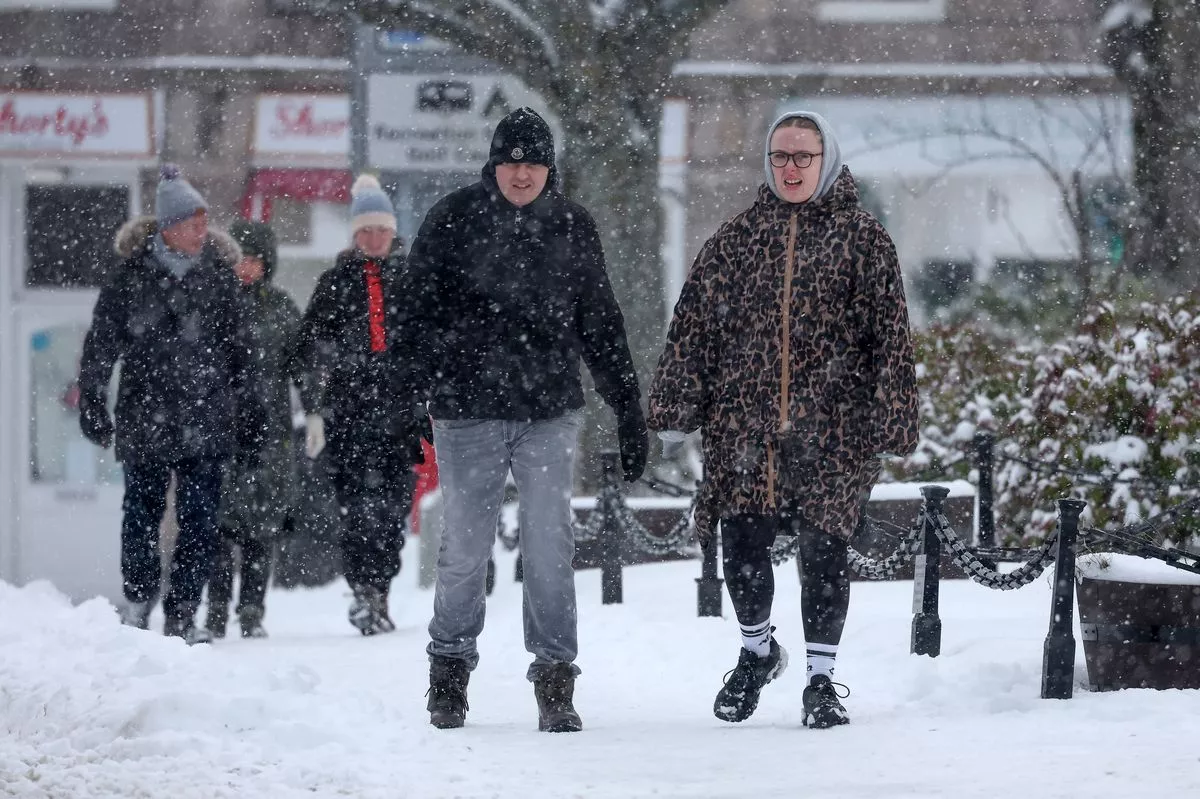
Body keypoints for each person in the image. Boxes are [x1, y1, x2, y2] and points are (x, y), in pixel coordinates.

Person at [648, 111, 919, 728]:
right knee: (742, 544)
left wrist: (895, 413)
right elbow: (693, 329)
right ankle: (757, 652)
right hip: (744, 425)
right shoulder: (736, 239)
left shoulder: (864, 239)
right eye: (780, 157)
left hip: (836, 427)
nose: (791, 168)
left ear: (828, 161)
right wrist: (673, 405)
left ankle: (821, 681)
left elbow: (891, 338)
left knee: (825, 551)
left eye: (803, 157)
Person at [408, 107, 648, 733]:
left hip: (548, 408)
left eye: (534, 162)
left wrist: (627, 407)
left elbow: (600, 319)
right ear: (494, 164)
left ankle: (555, 678)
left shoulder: (572, 225)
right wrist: (405, 400)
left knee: (550, 544)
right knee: (465, 543)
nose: (522, 174)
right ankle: (450, 669)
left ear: (550, 167)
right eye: (512, 161)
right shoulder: (454, 219)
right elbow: (416, 318)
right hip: (466, 410)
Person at [78, 164, 265, 645]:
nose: (204, 231)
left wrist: (252, 413)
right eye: (194, 223)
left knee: (199, 521)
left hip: (207, 418)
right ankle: (139, 600)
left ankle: (182, 612)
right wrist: (93, 400)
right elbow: (100, 346)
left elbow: (242, 352)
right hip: (146, 419)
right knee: (140, 512)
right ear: (169, 227)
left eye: (205, 222)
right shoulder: (129, 278)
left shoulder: (219, 279)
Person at [291, 174, 429, 636]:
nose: (375, 239)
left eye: (382, 231)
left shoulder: (412, 280)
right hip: (349, 415)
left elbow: (433, 343)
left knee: (391, 509)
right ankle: (364, 591)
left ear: (394, 232)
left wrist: (429, 396)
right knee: (358, 509)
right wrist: (314, 407)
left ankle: (380, 589)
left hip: (400, 418)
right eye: (366, 231)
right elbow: (306, 350)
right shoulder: (334, 284)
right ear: (354, 235)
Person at [204, 220, 309, 639]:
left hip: (271, 435)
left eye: (255, 260)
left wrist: (315, 409)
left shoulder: (282, 308)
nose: (247, 268)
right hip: (219, 429)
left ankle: (251, 611)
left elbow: (303, 364)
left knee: (261, 529)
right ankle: (214, 609)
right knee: (215, 527)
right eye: (240, 259)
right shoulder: (211, 304)